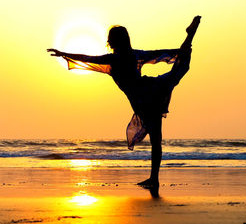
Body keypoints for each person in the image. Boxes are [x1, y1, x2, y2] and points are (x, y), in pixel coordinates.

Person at [47, 16, 201, 196]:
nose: (109, 41)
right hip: (149, 91)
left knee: (156, 138)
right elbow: (158, 54)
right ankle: (189, 36)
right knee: (176, 73)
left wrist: (64, 53)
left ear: (112, 41)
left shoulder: (114, 59)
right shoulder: (133, 55)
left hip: (144, 99)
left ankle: (154, 179)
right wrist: (65, 54)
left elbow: (88, 57)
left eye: (110, 39)